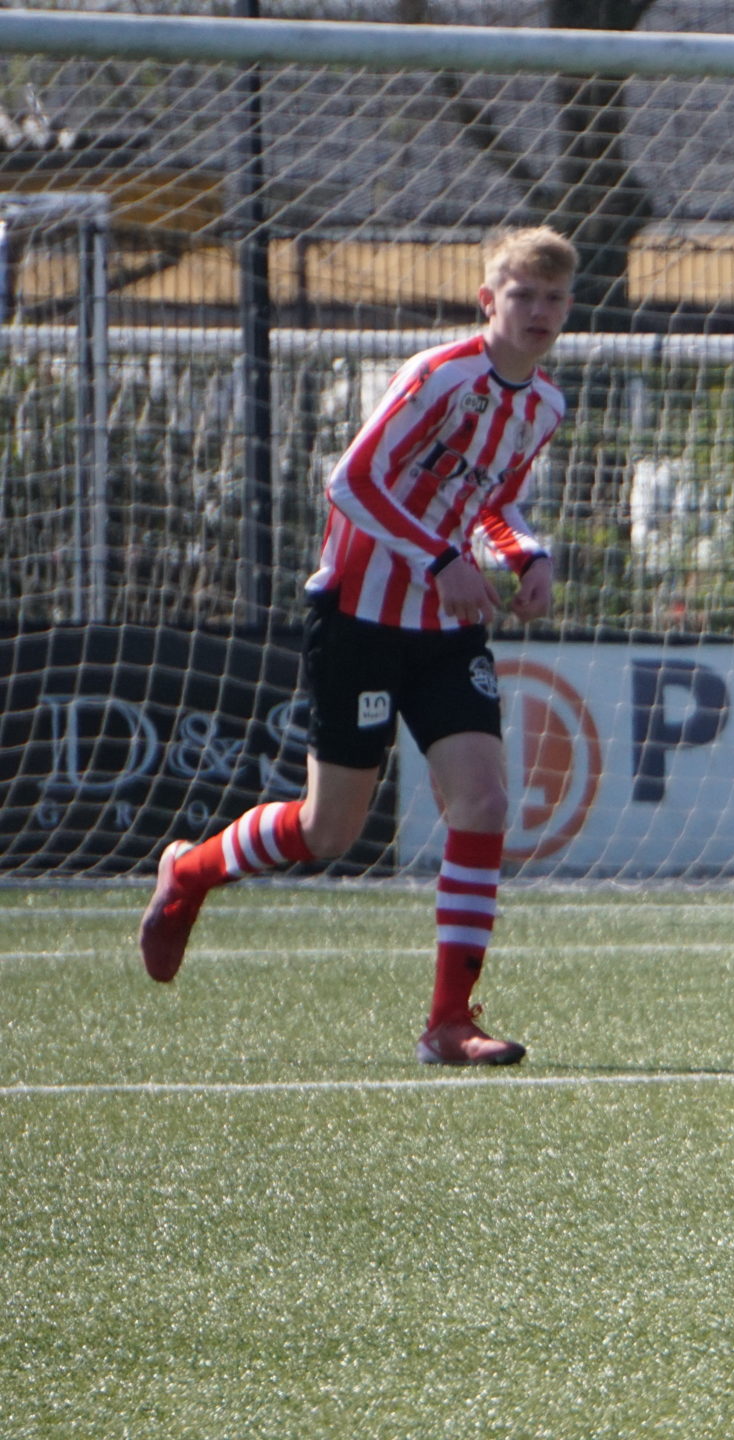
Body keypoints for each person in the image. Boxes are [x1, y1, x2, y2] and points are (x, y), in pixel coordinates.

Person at [136, 226, 580, 1066]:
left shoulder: (544, 406)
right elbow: (351, 479)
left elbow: (494, 500)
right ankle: (190, 873)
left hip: (447, 630)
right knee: (329, 829)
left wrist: (528, 554)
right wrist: (442, 556)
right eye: (524, 295)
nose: (541, 311)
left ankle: (450, 1021)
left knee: (482, 803)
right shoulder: (438, 376)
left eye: (555, 298)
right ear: (489, 301)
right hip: (361, 618)